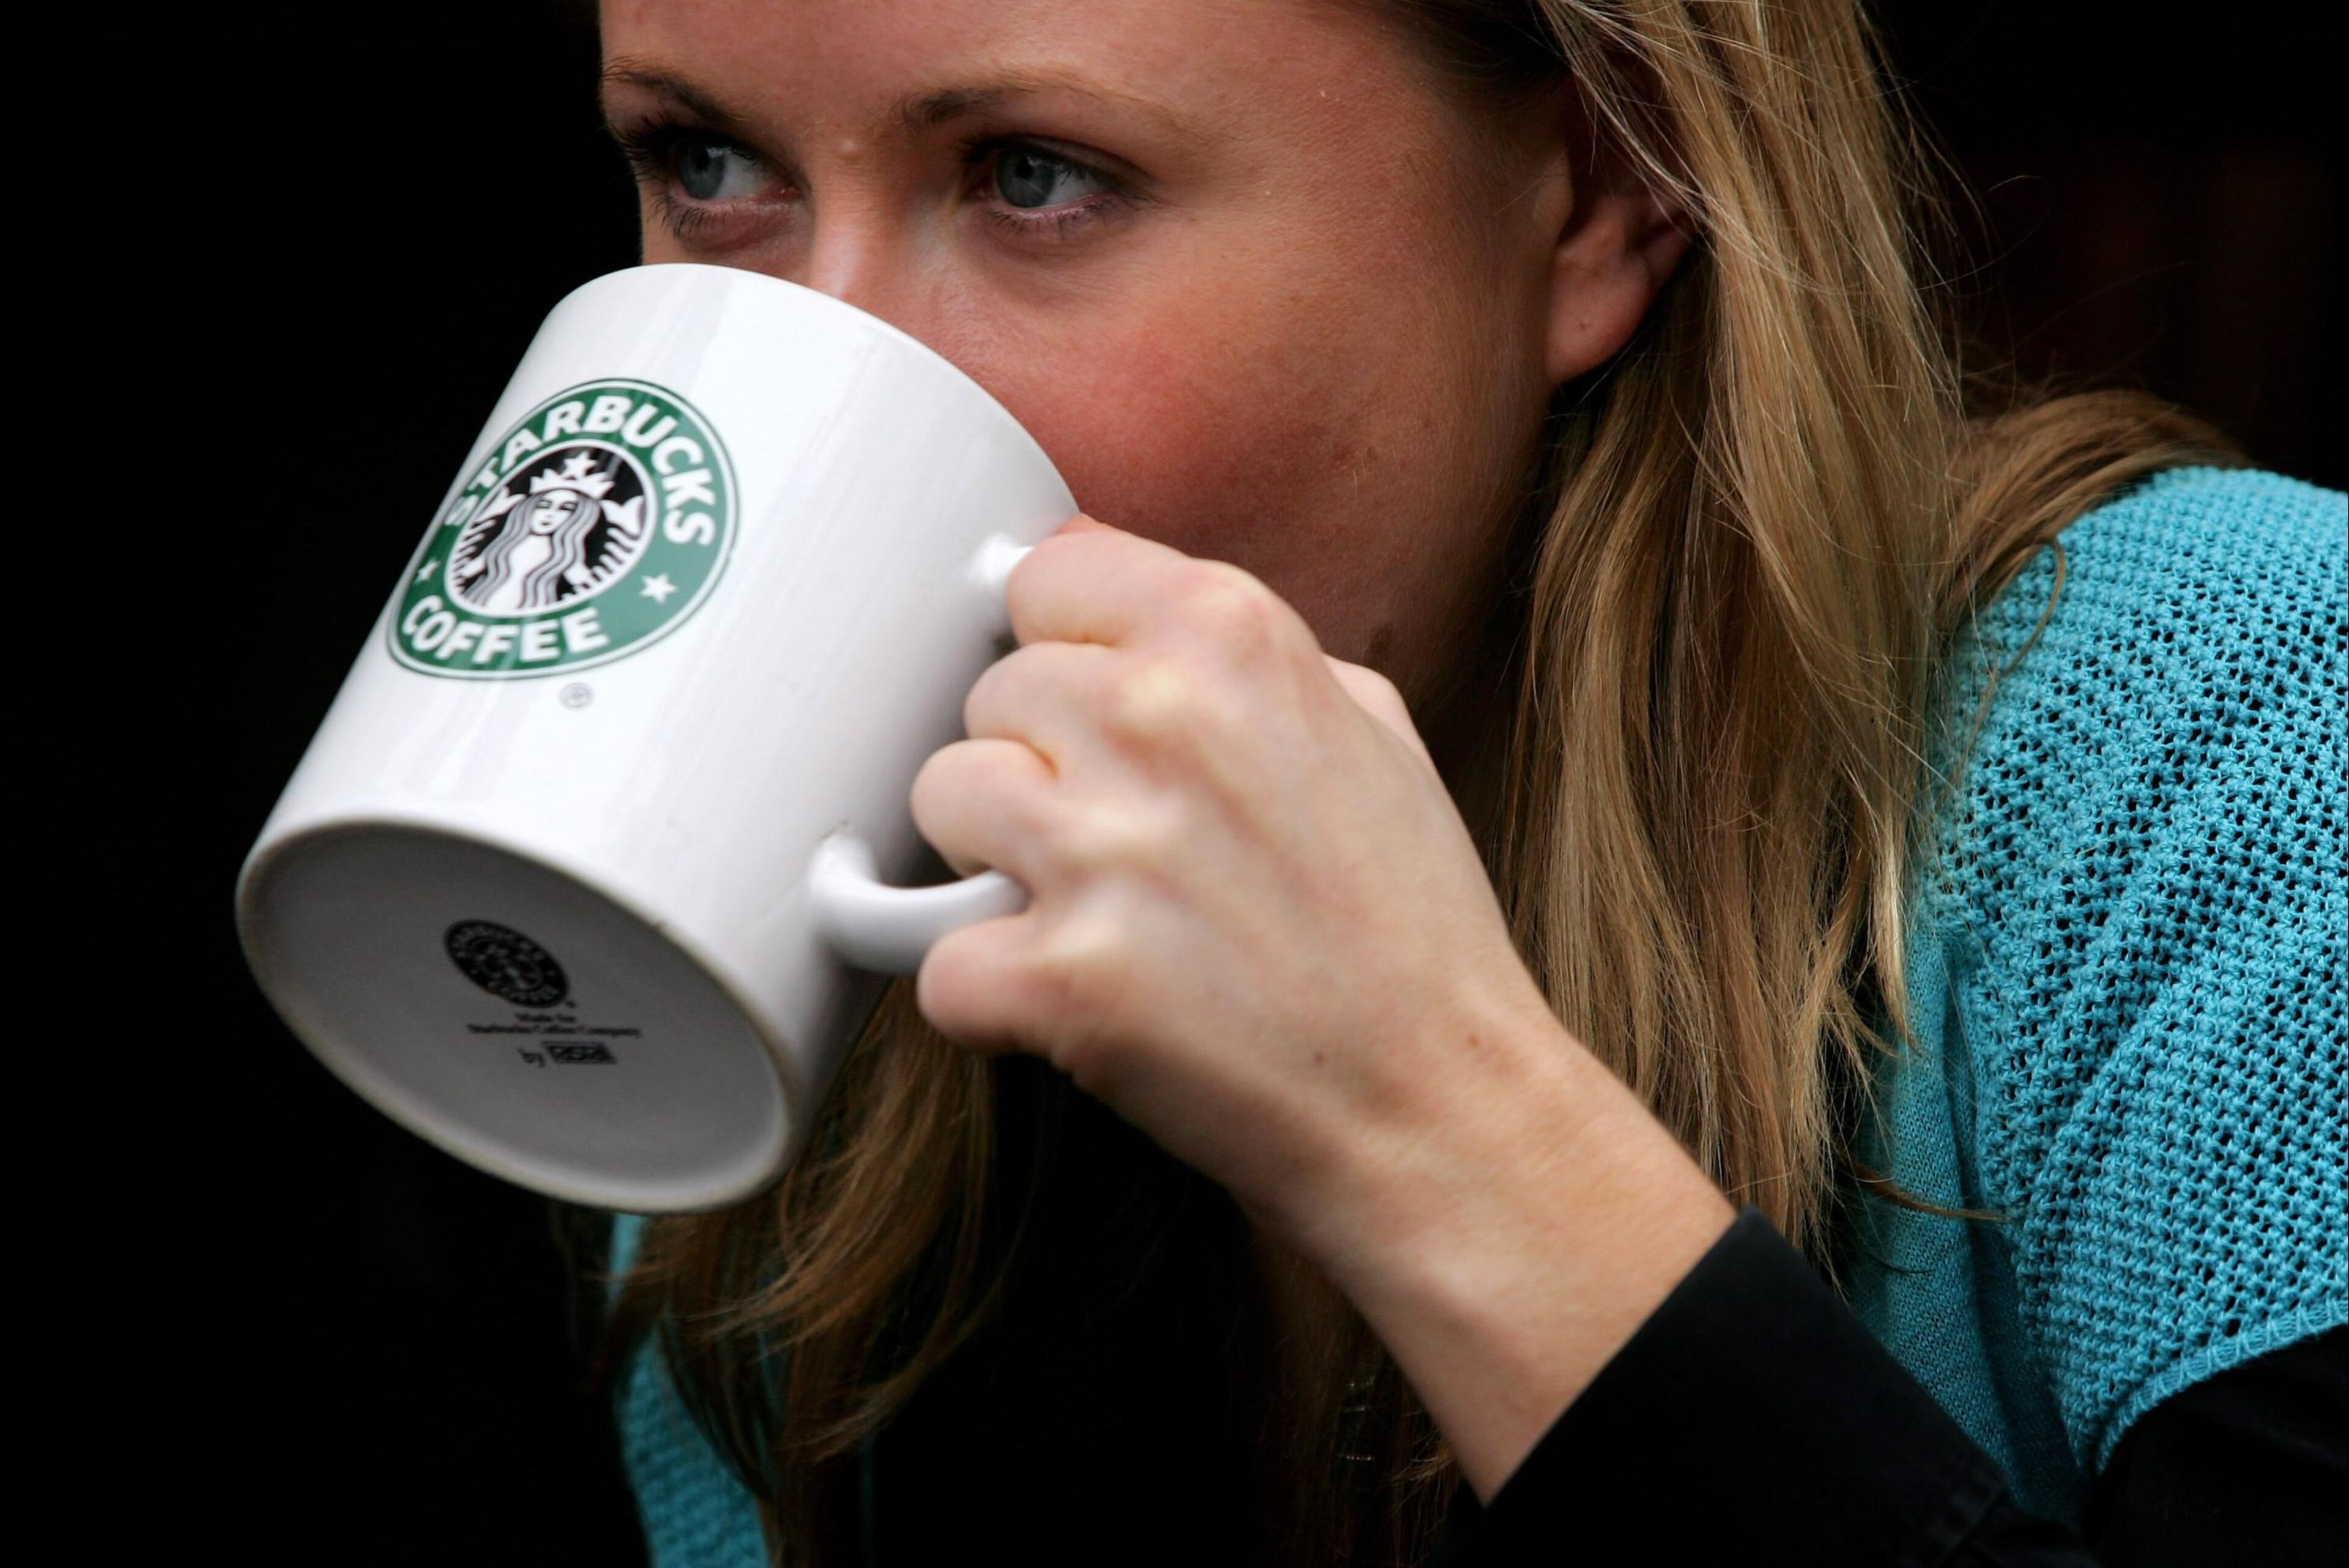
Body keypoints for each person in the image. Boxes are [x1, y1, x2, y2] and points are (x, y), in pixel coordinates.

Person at [591, 1, 2347, 1562]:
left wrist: (1429, 1124)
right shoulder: (783, 950)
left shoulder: (2220, 732)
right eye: (708, 162)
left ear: (1600, 188)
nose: (822, 390)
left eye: (1036, 176)